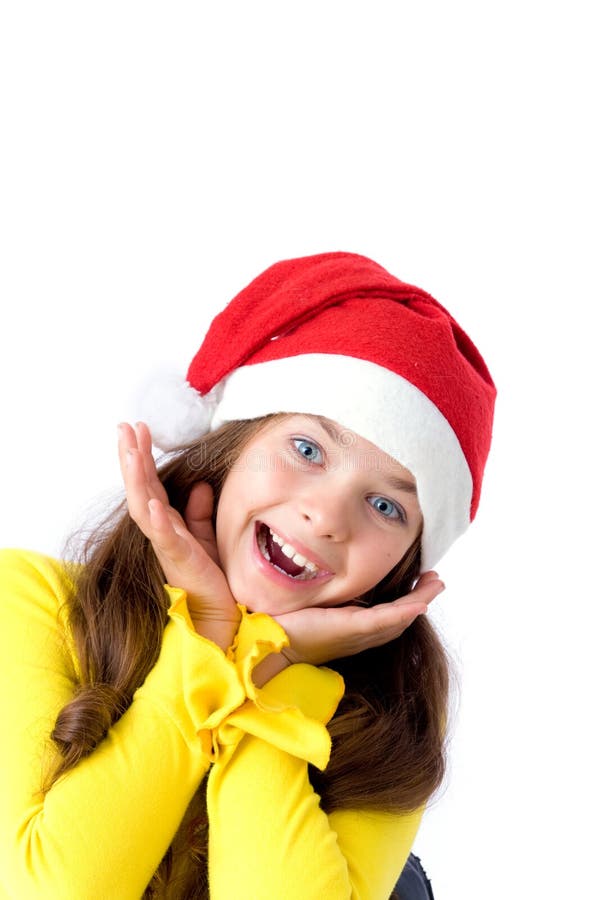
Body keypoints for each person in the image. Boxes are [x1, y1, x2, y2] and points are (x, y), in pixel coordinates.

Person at [0, 251, 496, 899]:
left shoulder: (393, 722)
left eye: (385, 506)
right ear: (232, 447)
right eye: (308, 448)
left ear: (404, 563)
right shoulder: (32, 599)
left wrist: (271, 672)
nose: (325, 517)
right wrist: (206, 639)